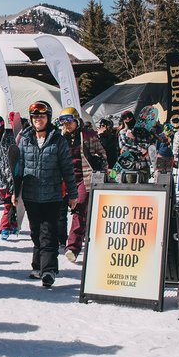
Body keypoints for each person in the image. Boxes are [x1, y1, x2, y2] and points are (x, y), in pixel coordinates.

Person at [13, 101, 78, 288]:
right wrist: (15, 191)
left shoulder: (58, 140)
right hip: (31, 194)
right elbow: (18, 167)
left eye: (41, 117)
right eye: (35, 117)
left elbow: (67, 169)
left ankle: (48, 270)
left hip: (52, 195)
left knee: (48, 233)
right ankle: (38, 265)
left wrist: (73, 194)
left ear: (48, 118)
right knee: (35, 232)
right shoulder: (25, 139)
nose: (38, 120)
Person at [57, 107, 108, 263]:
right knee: (58, 210)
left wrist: (100, 165)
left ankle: (73, 247)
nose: (66, 124)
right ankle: (59, 239)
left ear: (76, 119)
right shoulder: (59, 137)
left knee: (79, 209)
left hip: (83, 176)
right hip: (63, 178)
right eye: (63, 121)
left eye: (69, 120)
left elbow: (102, 154)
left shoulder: (87, 135)